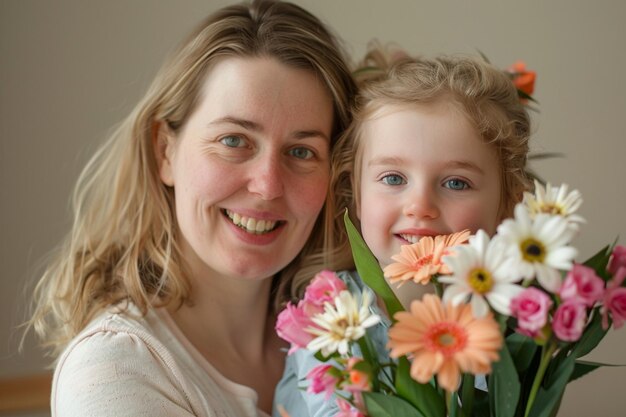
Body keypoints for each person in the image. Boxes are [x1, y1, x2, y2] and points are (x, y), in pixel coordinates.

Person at [28, 1, 357, 416]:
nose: (268, 186)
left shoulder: (349, 339)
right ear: (166, 151)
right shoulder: (114, 371)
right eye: (234, 141)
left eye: (301, 151)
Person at [274, 43, 532, 416]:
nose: (420, 206)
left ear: (508, 206)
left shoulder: (510, 326)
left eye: (456, 183)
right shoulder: (332, 314)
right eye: (393, 178)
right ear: (356, 196)